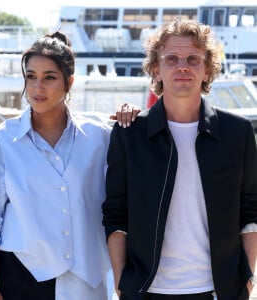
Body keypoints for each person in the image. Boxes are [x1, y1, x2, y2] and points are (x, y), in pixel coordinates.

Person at [0, 31, 139, 300]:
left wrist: (135, 118)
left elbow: (124, 197)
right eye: (31, 77)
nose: (38, 88)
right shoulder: (1, 141)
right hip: (18, 278)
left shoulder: (100, 137)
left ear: (69, 82)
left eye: (49, 77)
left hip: (86, 284)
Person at [102, 18, 257, 300]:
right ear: (155, 69)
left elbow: (251, 212)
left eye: (193, 59)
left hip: (219, 291)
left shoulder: (238, 133)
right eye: (171, 58)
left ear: (208, 70)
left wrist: (246, 280)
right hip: (146, 291)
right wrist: (122, 283)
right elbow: (116, 213)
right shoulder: (130, 134)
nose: (182, 66)